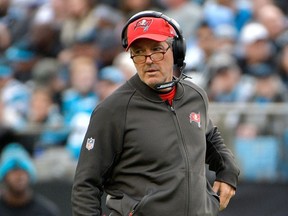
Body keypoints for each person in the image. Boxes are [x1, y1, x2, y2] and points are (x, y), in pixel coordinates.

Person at [71, 11, 240, 216]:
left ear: (176, 50)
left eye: (157, 49)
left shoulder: (195, 96)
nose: (148, 60)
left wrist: (228, 170)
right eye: (139, 52)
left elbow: (210, 137)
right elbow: (85, 185)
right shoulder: (112, 110)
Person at [0, 143, 60, 216]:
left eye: (23, 170)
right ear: (4, 176)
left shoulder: (46, 211)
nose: (19, 176)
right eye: (14, 171)